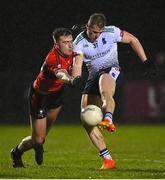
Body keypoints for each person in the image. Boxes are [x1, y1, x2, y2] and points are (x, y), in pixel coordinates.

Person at [72, 13, 157, 170]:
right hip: (93, 75)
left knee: (105, 90)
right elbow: (77, 64)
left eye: (97, 32)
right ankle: (107, 159)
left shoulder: (112, 32)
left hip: (111, 70)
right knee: (86, 118)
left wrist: (145, 61)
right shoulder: (79, 41)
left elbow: (133, 40)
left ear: (102, 30)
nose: (93, 35)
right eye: (91, 31)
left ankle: (109, 119)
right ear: (87, 26)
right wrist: (75, 78)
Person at [11, 27, 81, 168]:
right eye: (65, 42)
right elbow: (61, 73)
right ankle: (16, 152)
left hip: (57, 94)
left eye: (71, 41)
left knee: (42, 138)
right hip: (40, 97)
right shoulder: (52, 59)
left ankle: (38, 144)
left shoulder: (74, 51)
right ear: (56, 45)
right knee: (38, 139)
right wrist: (71, 80)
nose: (70, 45)